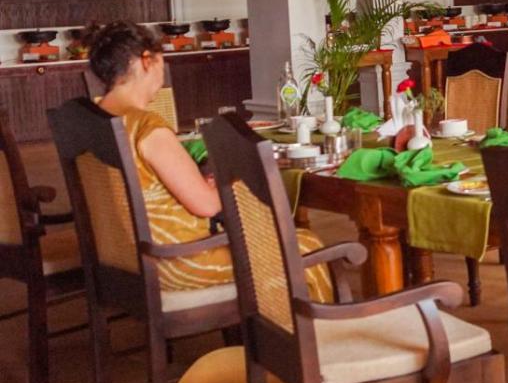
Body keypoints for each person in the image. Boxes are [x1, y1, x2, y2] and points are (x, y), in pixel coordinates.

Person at [87, 22, 332, 300]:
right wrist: (234, 177)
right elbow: (207, 205)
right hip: (176, 261)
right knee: (305, 245)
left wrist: (199, 184)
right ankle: (313, 327)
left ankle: (274, 319)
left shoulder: (95, 119)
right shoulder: (146, 127)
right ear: (147, 61)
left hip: (124, 256)